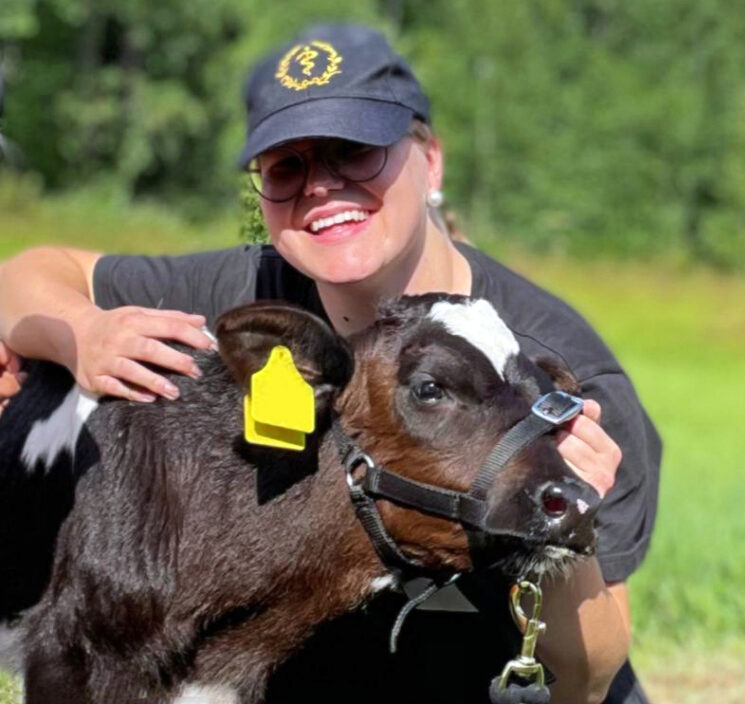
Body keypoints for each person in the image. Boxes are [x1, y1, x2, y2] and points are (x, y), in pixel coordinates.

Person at [0, 24, 660, 703]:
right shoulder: (248, 299)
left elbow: (586, 679)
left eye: (354, 151)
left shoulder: (549, 372)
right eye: (288, 167)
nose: (321, 187)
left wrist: (552, 513)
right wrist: (82, 332)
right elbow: (25, 276)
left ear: (429, 160)